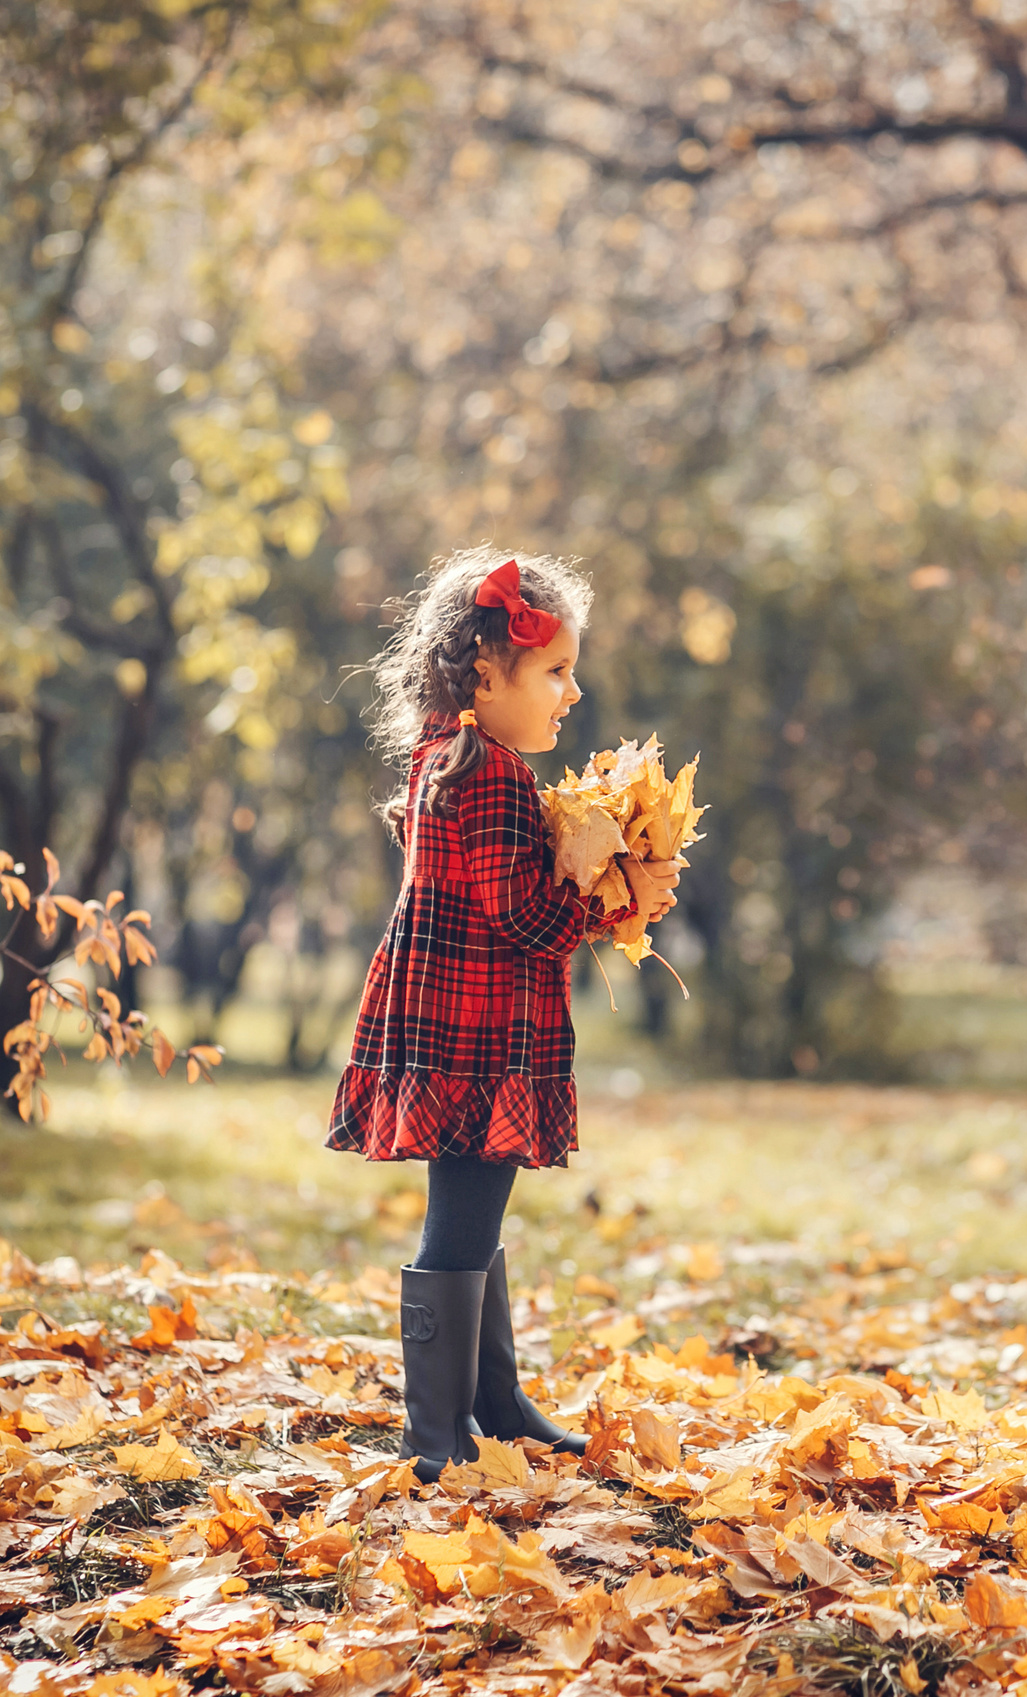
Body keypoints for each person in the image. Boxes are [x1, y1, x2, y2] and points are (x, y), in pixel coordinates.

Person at [330, 548, 682, 1480]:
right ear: (485, 674)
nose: (574, 691)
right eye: (556, 670)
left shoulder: (446, 757)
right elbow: (525, 916)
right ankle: (436, 1436)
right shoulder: (488, 773)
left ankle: (493, 1402)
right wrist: (618, 896)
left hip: (453, 1017)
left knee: (475, 1206)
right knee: (464, 1215)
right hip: (477, 1030)